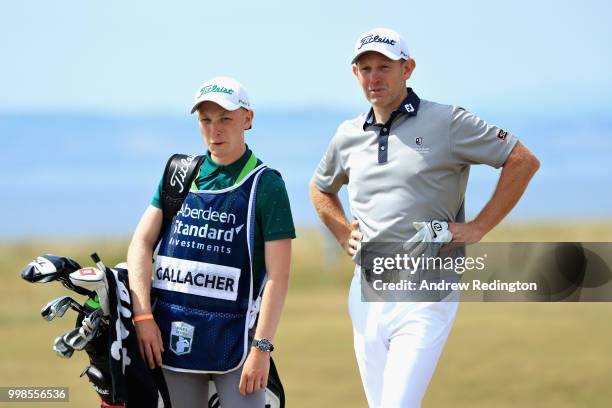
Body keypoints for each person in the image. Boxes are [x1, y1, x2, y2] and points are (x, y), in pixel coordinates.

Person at [310, 27, 540, 407]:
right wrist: (340, 232)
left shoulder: (447, 121)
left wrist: (478, 227)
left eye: (384, 66)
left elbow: (521, 160)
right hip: (366, 289)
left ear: (408, 69)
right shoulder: (347, 134)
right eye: (365, 68)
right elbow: (320, 188)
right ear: (355, 75)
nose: (374, 77)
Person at [128, 76, 295, 408]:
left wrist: (262, 349)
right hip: (170, 337)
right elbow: (141, 244)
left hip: (237, 342)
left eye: (225, 119)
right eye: (205, 120)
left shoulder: (267, 185)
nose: (214, 130)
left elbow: (279, 275)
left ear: (247, 119)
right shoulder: (178, 173)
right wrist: (143, 317)